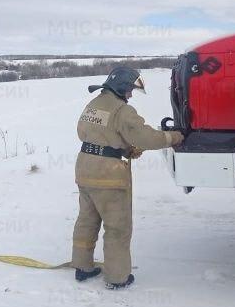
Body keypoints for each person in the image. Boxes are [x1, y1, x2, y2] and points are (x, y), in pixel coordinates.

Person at [72, 67, 184, 289]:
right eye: (130, 90)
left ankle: (82, 267)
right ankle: (117, 277)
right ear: (122, 87)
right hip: (108, 177)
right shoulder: (123, 111)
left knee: (87, 221)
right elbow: (147, 138)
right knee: (117, 227)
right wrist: (174, 137)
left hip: (84, 170)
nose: (131, 95)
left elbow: (92, 135)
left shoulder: (93, 105)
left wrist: (123, 149)